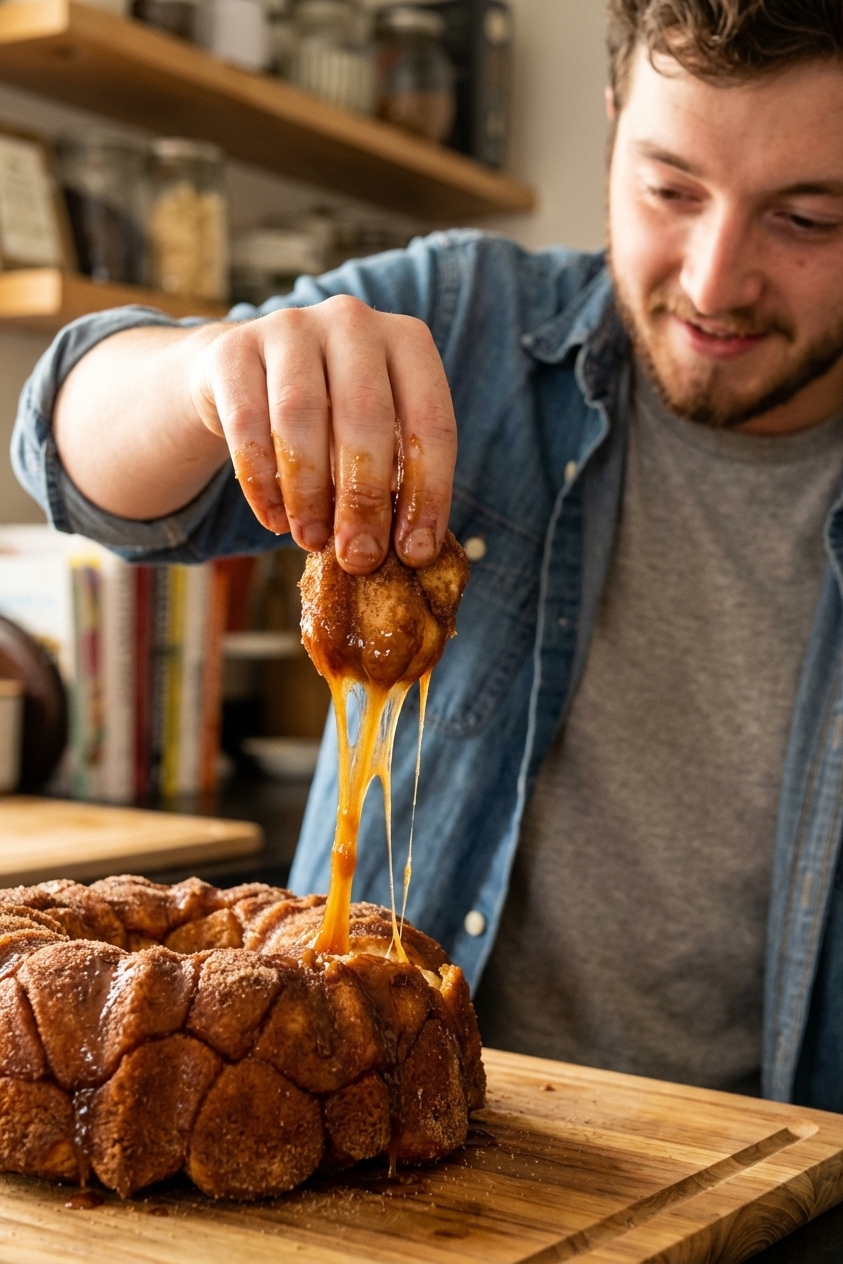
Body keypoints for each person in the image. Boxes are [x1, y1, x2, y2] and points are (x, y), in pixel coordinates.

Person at [12, 0, 843, 1111]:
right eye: (669, 189)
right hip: (369, 1136)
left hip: (771, 1163)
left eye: (806, 218)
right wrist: (207, 371)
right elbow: (65, 451)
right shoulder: (465, 316)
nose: (712, 279)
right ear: (612, 124)